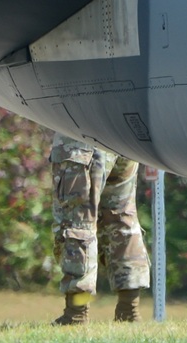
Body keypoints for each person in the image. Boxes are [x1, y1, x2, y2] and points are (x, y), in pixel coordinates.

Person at [50, 136, 151, 325]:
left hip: (82, 137)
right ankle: (129, 309)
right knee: (121, 219)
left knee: (77, 222)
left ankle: (77, 312)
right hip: (122, 138)